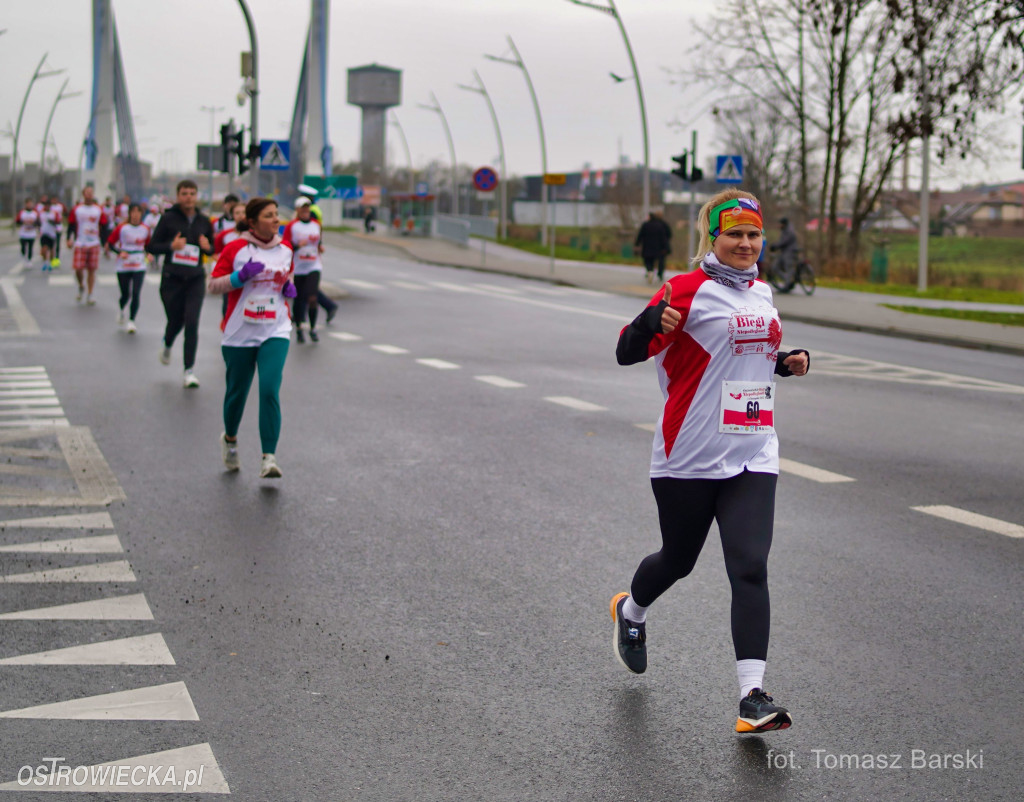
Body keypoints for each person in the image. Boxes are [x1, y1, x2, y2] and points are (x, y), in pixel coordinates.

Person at [611, 188, 810, 734]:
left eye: (753, 235)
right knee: (677, 560)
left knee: (749, 566)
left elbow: (749, 356)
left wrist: (783, 363)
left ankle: (752, 697)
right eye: (735, 235)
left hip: (753, 450)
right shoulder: (684, 289)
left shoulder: (763, 293)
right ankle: (631, 610)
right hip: (689, 455)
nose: (746, 244)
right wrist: (653, 326)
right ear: (713, 238)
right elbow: (627, 349)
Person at [207, 197, 296, 479]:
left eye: (277, 214)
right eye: (269, 216)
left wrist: (289, 289)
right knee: (237, 394)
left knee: (269, 388)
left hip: (275, 329)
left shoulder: (285, 249)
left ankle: (268, 457)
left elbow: (287, 280)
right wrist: (239, 276)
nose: (276, 220)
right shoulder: (235, 248)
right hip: (239, 332)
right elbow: (213, 285)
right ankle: (230, 439)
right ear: (254, 221)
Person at [146, 179, 214, 388]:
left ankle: (189, 371)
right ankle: (167, 343)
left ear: (197, 196)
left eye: (192, 193)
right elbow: (152, 247)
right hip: (172, 279)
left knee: (192, 322)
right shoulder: (168, 219)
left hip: (195, 279)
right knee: (175, 320)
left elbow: (211, 249)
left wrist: (207, 247)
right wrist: (171, 246)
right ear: (178, 196)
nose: (189, 197)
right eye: (184, 193)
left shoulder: (204, 221)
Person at [282, 197, 324, 343]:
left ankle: (312, 328)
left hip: (314, 265)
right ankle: (299, 328)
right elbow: (285, 247)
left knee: (312, 298)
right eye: (303, 208)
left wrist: (320, 248)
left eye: (308, 208)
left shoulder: (316, 225)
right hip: (298, 267)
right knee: (299, 300)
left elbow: (319, 241)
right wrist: (298, 245)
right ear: (297, 210)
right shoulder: (292, 226)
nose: (306, 210)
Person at [105, 203, 151, 333]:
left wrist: (149, 254)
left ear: (142, 214)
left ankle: (132, 320)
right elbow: (110, 243)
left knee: (136, 293)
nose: (136, 215)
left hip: (138, 263)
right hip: (124, 264)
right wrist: (120, 253)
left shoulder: (145, 229)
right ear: (130, 214)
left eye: (138, 212)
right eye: (133, 212)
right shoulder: (122, 228)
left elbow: (148, 245)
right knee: (126, 293)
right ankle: (121, 309)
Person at [296, 185, 338, 324]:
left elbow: (312, 231)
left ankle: (328, 306)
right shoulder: (315, 209)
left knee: (308, 289)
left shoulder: (311, 212)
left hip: (309, 255)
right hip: (307, 254)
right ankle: (300, 316)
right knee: (306, 288)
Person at [67, 186, 110, 304]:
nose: (89, 195)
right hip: (80, 242)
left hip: (94, 242)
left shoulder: (98, 210)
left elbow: (104, 226)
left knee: (92, 270)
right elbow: (71, 224)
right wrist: (68, 239)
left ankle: (90, 294)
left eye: (91, 193)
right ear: (83, 194)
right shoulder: (77, 209)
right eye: (87, 193)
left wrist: (105, 242)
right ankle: (81, 285)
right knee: (78, 268)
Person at [634, 211, 673, 285]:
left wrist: (637, 244)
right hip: (658, 248)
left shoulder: (645, 225)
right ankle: (659, 274)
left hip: (647, 247)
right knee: (660, 261)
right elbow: (665, 237)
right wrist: (666, 247)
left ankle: (650, 271)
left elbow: (640, 235)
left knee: (648, 261)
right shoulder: (660, 225)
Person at [768, 217, 799, 282]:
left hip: (788, 252)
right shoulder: (787, 229)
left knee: (786, 267)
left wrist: (775, 246)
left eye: (780, 224)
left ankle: (788, 281)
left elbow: (783, 242)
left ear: (783, 224)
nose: (779, 225)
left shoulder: (788, 231)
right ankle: (788, 280)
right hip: (787, 251)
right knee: (780, 266)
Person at [38, 197, 61, 270]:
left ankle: (51, 263)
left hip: (52, 234)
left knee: (51, 250)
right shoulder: (41, 213)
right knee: (44, 249)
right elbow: (37, 221)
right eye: (46, 205)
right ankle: (45, 262)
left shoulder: (54, 213)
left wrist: (52, 222)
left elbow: (58, 222)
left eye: (48, 205)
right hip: (44, 233)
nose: (47, 207)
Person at [16, 198, 40, 263]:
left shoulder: (35, 213)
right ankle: (24, 255)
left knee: (30, 248)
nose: (29, 205)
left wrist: (33, 223)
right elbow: (17, 222)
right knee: (23, 248)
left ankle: (29, 260)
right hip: (23, 233)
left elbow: (38, 223)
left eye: (30, 204)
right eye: (28, 204)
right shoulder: (22, 212)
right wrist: (23, 222)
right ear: (25, 204)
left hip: (32, 233)